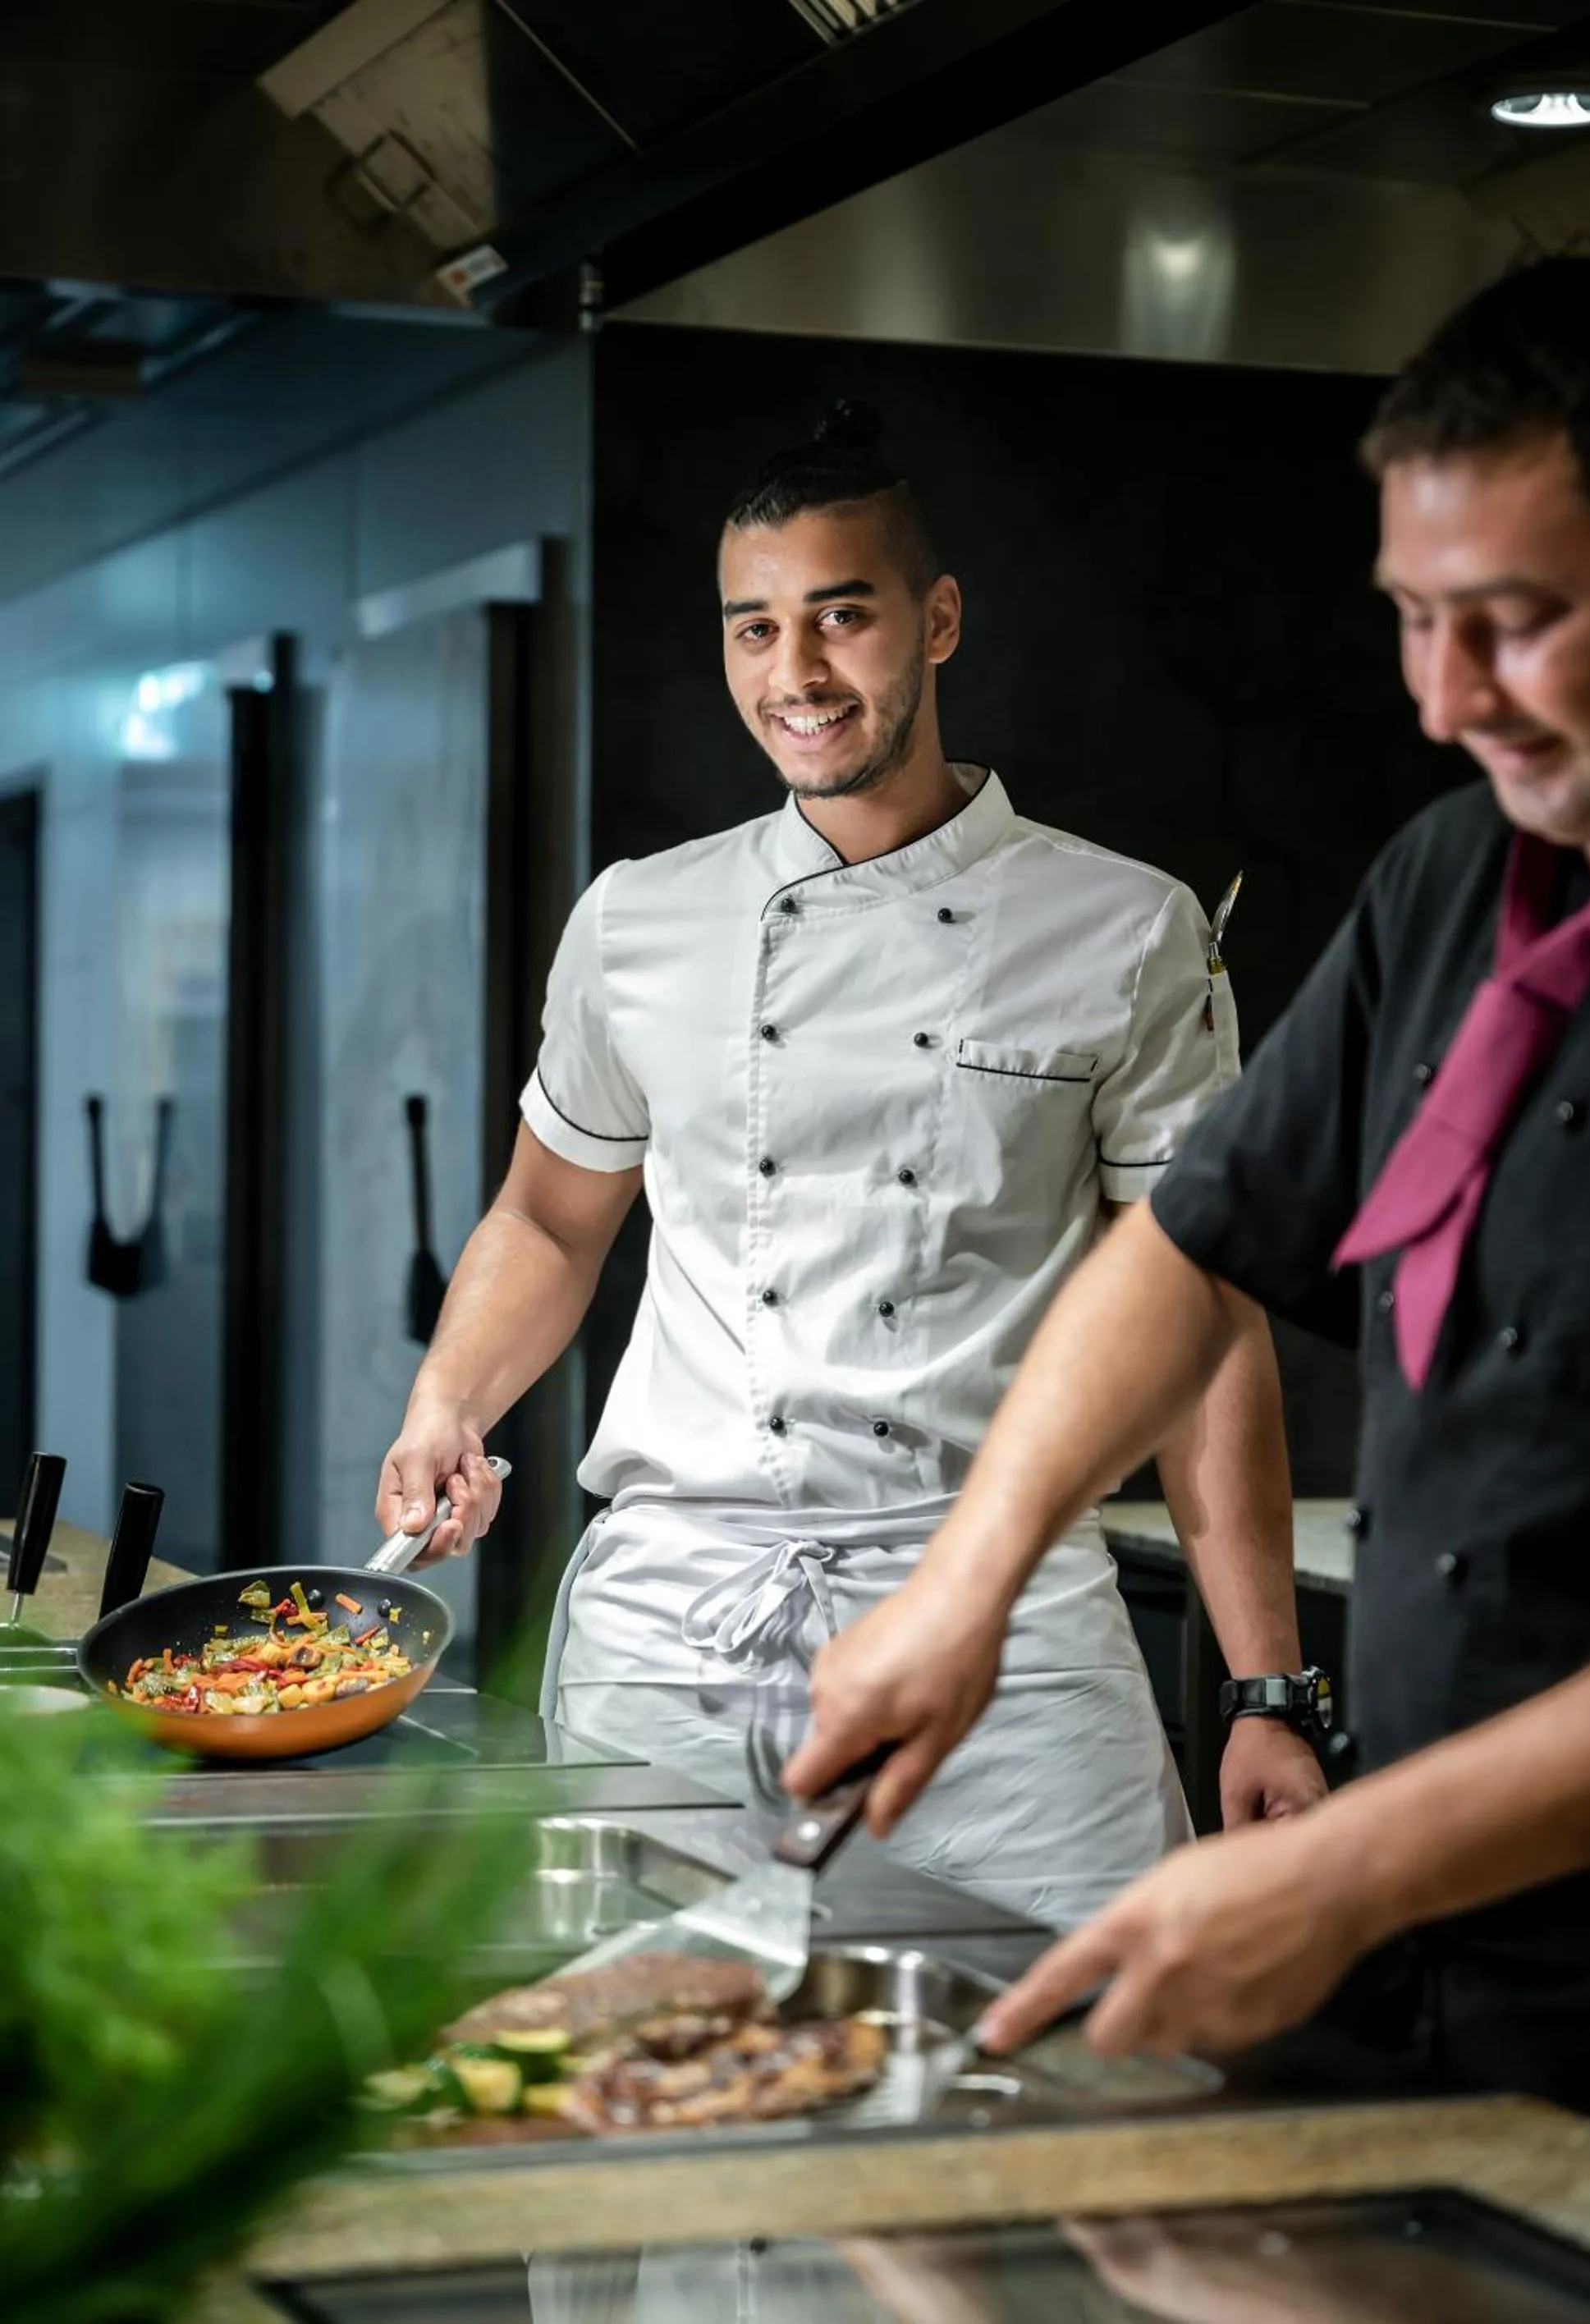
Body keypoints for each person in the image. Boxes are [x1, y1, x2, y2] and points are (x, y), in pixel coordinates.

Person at [784, 259, 1590, 2109]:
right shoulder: (1452, 877)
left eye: (1519, 621)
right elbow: (1186, 1248)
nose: (1445, 698)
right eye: (1415, 620)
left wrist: (1339, 1868)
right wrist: (964, 1585)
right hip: (1457, 1953)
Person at [377, 401, 1323, 1927]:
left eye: (842, 615)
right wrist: (448, 1399)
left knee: (1081, 2042)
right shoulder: (637, 920)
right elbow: (549, 1221)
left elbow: (1202, 1320)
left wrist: (1269, 1688)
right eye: (755, 628)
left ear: (937, 621)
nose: (796, 672)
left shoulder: (1128, 929)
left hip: (1005, 1641)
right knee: (634, 2039)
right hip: (677, 1628)